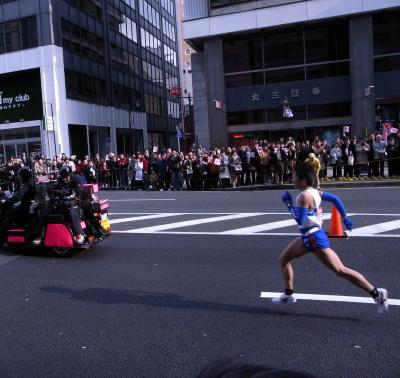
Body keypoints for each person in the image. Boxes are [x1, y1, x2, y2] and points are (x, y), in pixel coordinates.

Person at [271, 163, 388, 314]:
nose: (292, 179)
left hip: (313, 238)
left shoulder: (304, 196)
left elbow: (300, 220)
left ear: (303, 179)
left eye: (294, 176)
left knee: (340, 270)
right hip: (308, 236)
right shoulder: (315, 192)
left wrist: (288, 203)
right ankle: (288, 294)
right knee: (284, 260)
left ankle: (378, 294)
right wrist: (345, 218)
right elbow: (335, 199)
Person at [0, 168, 35, 246]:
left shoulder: (26, 186)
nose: (19, 178)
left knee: (7, 214)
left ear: (23, 177)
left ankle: (2, 237)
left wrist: (7, 201)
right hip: (26, 207)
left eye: (20, 176)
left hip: (24, 209)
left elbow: (17, 197)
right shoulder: (28, 185)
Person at [53, 166, 85, 244]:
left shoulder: (76, 178)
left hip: (77, 202)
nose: (64, 179)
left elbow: (80, 191)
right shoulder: (61, 179)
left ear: (70, 174)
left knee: (72, 211)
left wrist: (67, 191)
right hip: (63, 202)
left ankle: (80, 234)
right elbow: (57, 187)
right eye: (63, 177)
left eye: (66, 176)